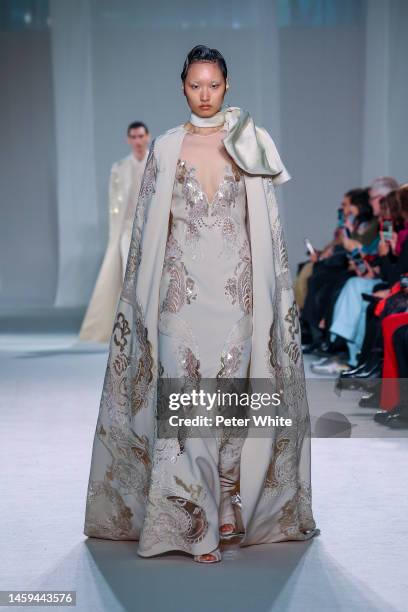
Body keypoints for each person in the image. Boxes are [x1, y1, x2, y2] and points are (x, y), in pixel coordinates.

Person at [83, 45, 318, 563]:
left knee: (230, 404)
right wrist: (141, 301)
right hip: (180, 297)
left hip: (236, 295)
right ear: (182, 87)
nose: (205, 95)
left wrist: (271, 296)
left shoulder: (251, 142)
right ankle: (192, 523)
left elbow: (269, 230)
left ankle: (227, 502)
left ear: (228, 85)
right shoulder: (166, 148)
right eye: (195, 85)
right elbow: (146, 230)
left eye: (214, 85)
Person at [79, 121, 150, 343]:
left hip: (152, 231)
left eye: (141, 136)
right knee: (129, 277)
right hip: (128, 231)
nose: (138, 141)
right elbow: (115, 208)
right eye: (134, 137)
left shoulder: (157, 164)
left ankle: (150, 328)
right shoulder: (119, 169)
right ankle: (129, 328)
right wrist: (116, 237)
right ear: (129, 140)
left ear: (148, 137)